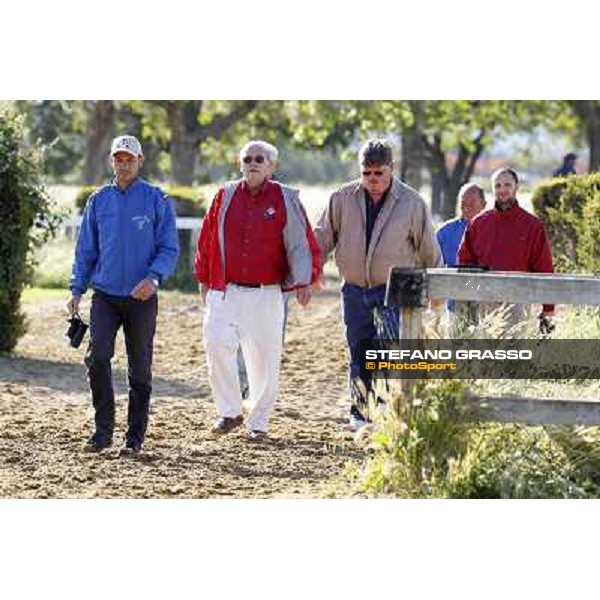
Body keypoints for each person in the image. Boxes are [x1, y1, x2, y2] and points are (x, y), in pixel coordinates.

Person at [195, 140, 319, 440]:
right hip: (226, 290)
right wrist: (204, 278)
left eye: (259, 159)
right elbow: (207, 237)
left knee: (265, 359)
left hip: (268, 293)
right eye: (248, 158)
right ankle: (229, 412)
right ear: (240, 164)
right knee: (216, 342)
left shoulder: (285, 198)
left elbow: (302, 242)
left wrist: (305, 280)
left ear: (271, 166)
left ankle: (258, 422)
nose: (253, 162)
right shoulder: (224, 196)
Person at [314, 139, 442, 431]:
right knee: (358, 349)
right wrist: (313, 271)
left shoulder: (412, 203)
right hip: (355, 289)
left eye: (379, 174)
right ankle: (360, 412)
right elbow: (322, 238)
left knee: (386, 350)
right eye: (366, 173)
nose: (372, 180)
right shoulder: (342, 198)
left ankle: (384, 412)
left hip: (395, 289)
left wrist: (436, 292)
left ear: (391, 169)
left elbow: (429, 251)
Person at [68, 135, 180, 454]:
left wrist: (154, 278)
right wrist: (76, 289)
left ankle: (134, 439)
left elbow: (169, 247)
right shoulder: (98, 200)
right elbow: (85, 250)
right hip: (104, 295)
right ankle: (102, 432)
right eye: (119, 158)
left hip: (142, 298)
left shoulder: (157, 199)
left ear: (140, 161)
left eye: (130, 158)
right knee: (97, 357)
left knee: (140, 370)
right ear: (111, 161)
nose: (124, 163)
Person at [458, 167, 555, 333]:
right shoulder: (478, 223)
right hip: (485, 300)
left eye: (507, 185)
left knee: (514, 356)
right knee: (485, 356)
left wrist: (548, 308)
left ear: (516, 187)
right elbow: (465, 262)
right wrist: (474, 294)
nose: (502, 190)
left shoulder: (532, 225)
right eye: (498, 186)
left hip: (519, 300)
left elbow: (544, 267)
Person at [436, 183, 487, 312]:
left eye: (473, 202)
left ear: (484, 204)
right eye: (463, 202)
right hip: (454, 306)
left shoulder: (494, 230)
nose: (467, 206)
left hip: (487, 307)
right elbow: (432, 264)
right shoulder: (444, 232)